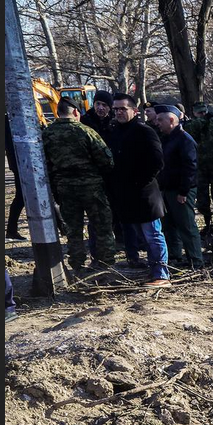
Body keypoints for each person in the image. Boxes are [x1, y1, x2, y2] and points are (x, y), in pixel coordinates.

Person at [41, 98, 116, 272]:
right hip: (92, 187)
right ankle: (105, 265)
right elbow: (107, 160)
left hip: (64, 187)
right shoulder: (85, 131)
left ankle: (77, 264)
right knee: (102, 226)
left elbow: (44, 162)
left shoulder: (47, 133)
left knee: (73, 230)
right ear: (76, 112)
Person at [107, 93, 169, 285]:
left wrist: (139, 182)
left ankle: (161, 274)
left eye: (123, 109)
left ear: (134, 110)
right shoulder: (114, 131)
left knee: (153, 234)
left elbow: (157, 161)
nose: (118, 112)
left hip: (145, 193)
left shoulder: (144, 131)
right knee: (138, 235)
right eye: (115, 109)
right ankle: (151, 268)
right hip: (125, 194)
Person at [155, 105, 204, 269]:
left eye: (160, 119)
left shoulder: (184, 139)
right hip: (168, 189)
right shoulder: (167, 138)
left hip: (181, 191)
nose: (157, 123)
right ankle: (175, 256)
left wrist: (183, 191)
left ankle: (196, 261)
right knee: (169, 226)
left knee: (187, 226)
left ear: (171, 120)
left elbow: (190, 167)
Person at [185, 102, 213, 247]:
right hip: (202, 168)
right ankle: (211, 224)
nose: (202, 115)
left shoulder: (212, 125)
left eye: (203, 113)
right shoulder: (211, 124)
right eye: (200, 113)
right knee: (206, 198)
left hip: (211, 167)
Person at [5, 120, 26, 240]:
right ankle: (62, 227)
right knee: (21, 197)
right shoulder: (13, 119)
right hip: (22, 164)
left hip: (20, 163)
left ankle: (11, 230)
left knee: (21, 197)